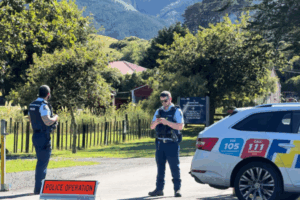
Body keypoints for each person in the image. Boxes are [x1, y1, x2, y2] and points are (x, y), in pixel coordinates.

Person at [149, 91, 184, 197]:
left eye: (165, 100)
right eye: (162, 101)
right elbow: (151, 127)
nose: (164, 103)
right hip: (160, 143)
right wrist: (156, 122)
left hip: (171, 143)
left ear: (170, 99)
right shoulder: (158, 111)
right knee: (160, 167)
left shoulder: (176, 111)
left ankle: (177, 189)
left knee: (174, 167)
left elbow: (180, 126)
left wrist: (166, 122)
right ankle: (159, 189)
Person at [28, 85, 58, 194]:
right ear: (48, 94)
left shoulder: (32, 104)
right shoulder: (43, 105)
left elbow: (31, 119)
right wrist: (55, 118)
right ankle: (39, 189)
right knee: (42, 163)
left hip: (35, 135)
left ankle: (38, 188)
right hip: (43, 136)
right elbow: (47, 121)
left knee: (40, 162)